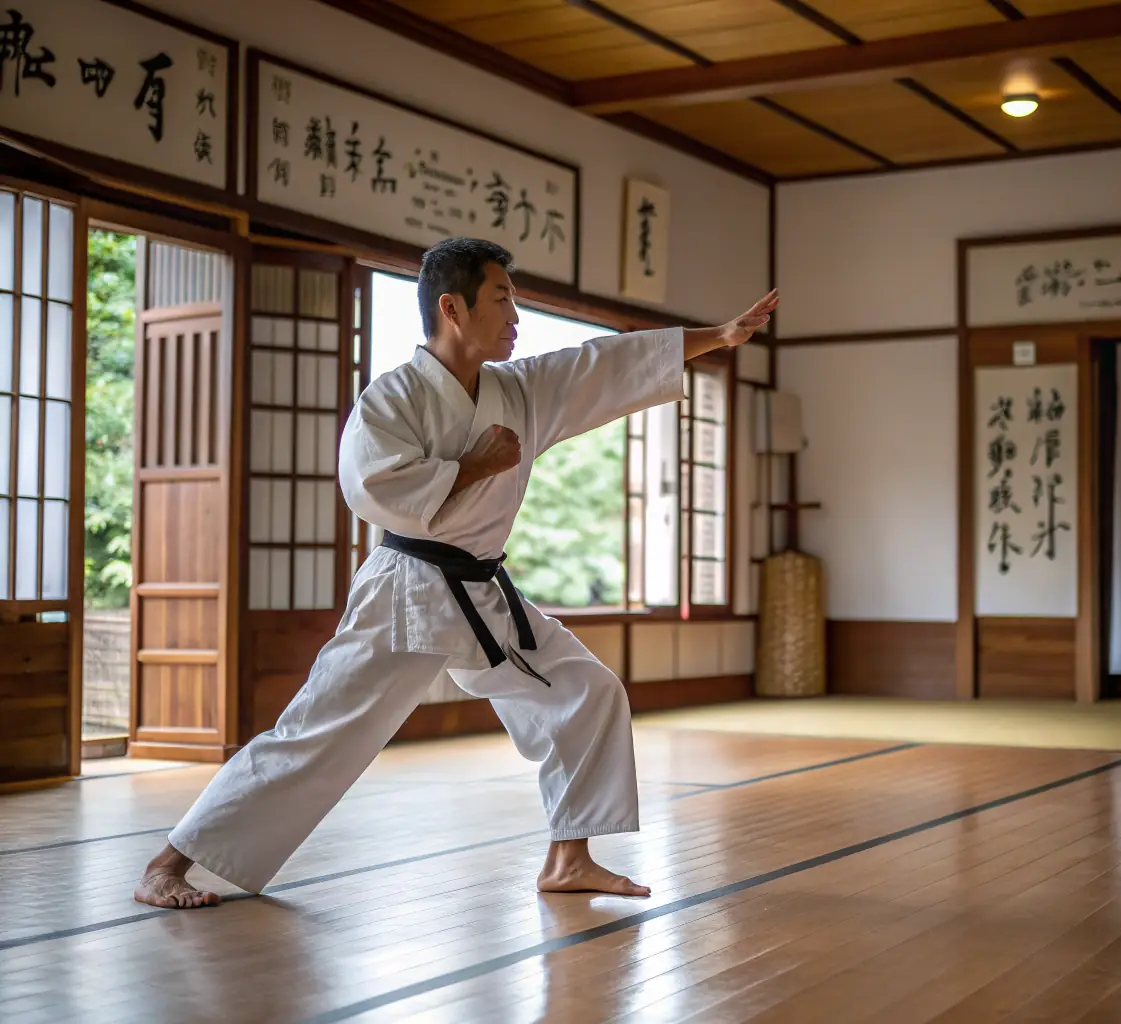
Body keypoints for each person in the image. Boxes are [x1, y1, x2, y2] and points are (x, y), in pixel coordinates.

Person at [134, 237, 778, 909]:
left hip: (481, 590)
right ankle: (168, 862)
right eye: (501, 299)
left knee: (585, 691)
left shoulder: (519, 390)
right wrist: (473, 465)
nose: (515, 318)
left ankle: (569, 857)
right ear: (453, 307)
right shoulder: (392, 399)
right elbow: (372, 487)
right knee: (316, 733)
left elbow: (602, 365)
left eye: (514, 301)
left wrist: (720, 336)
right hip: (405, 592)